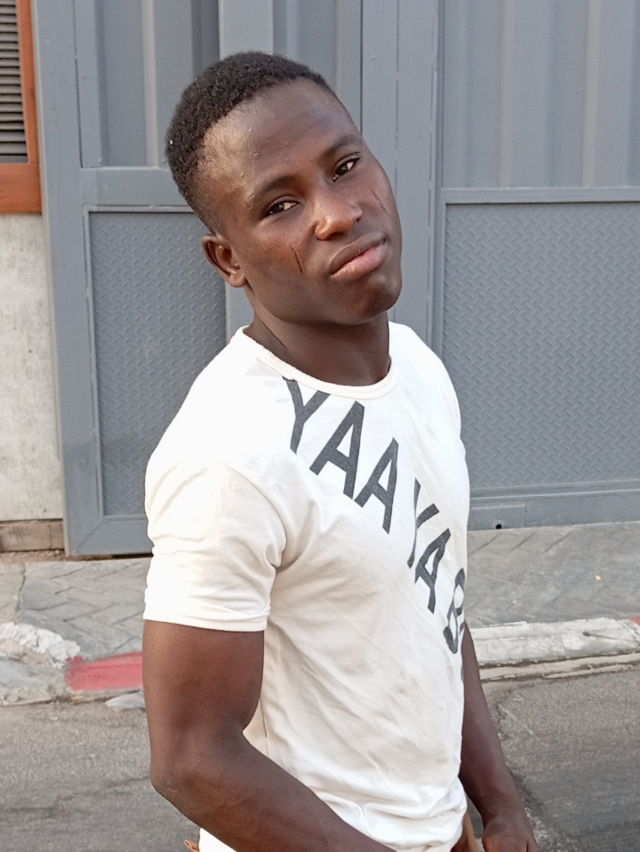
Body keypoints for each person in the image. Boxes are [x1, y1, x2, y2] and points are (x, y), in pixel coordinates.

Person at [142, 52, 540, 852]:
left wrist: (496, 806)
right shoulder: (228, 452)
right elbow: (191, 758)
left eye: (346, 165)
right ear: (229, 259)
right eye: (280, 204)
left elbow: (435, 604)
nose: (337, 212)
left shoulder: (419, 371)